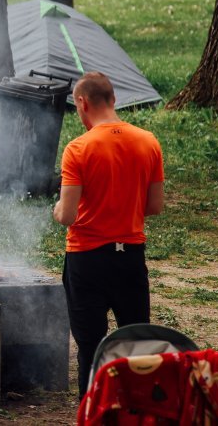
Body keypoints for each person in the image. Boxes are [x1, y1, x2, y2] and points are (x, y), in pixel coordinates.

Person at [52, 71, 165, 399]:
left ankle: (93, 411)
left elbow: (67, 215)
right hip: (130, 257)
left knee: (90, 344)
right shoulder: (148, 141)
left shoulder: (78, 149)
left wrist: (56, 208)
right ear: (114, 100)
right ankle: (137, 410)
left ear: (82, 103)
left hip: (87, 259)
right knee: (135, 339)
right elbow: (154, 206)